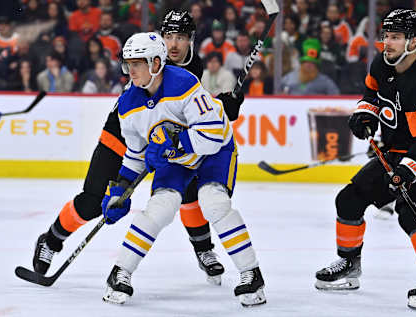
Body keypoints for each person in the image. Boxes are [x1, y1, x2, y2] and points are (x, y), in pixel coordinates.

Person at [31, 10, 244, 287]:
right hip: (125, 132)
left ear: (191, 39)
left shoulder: (195, 67)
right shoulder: (147, 58)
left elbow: (191, 113)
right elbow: (151, 105)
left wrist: (221, 107)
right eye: (169, 37)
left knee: (189, 186)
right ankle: (51, 239)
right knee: (93, 200)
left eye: (180, 37)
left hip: (161, 136)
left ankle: (203, 249)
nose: (174, 45)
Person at [102, 31, 265, 307]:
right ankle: (120, 273)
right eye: (128, 64)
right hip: (177, 158)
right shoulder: (128, 104)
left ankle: (252, 274)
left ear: (156, 63)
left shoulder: (184, 83)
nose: (131, 70)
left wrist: (173, 142)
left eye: (137, 63)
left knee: (213, 202)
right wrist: (120, 188)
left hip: (215, 151)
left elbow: (212, 135)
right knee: (159, 208)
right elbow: (136, 155)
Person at [314, 9, 416, 311]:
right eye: (386, 36)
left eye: (395, 37)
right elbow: (371, 95)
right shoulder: (382, 64)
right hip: (392, 155)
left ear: (414, 41)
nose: (386, 43)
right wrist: (364, 114)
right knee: (349, 200)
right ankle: (350, 266)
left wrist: (407, 172)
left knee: (411, 214)